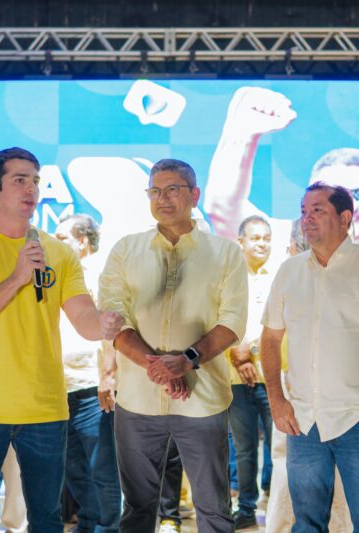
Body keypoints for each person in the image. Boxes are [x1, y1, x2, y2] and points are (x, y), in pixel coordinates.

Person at [0, 146, 122, 530]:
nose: (31, 189)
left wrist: (103, 324)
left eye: (35, 180)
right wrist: (17, 279)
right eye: (19, 180)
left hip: (44, 408)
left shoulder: (59, 253)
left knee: (48, 519)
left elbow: (83, 318)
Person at [99, 158, 249, 532]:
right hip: (138, 400)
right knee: (137, 509)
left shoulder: (225, 253)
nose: (162, 199)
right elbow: (113, 317)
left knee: (213, 508)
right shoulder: (126, 249)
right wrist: (159, 366)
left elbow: (232, 321)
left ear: (194, 195)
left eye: (172, 190)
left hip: (202, 400)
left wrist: (187, 360)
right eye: (155, 191)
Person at [260, 182, 359, 532]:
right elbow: (270, 339)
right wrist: (276, 400)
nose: (307, 218)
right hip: (303, 419)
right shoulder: (289, 271)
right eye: (304, 211)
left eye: (318, 210)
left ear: (345, 217)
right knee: (306, 524)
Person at [203, 87, 359, 282]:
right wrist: (243, 133)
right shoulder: (279, 245)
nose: (348, 207)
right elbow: (223, 205)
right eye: (332, 198)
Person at [264, 219, 352, 533]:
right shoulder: (291, 273)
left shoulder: (297, 274)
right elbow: (271, 337)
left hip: (312, 384)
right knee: (315, 470)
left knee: (290, 467)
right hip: (304, 384)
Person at [54, 213, 122, 533]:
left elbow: (112, 325)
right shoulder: (54, 275)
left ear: (82, 241)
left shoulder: (99, 274)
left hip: (93, 389)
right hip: (59, 388)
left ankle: (108, 527)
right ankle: (89, 522)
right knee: (74, 468)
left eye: (62, 238)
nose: (55, 244)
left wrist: (108, 375)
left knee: (102, 468)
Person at [227, 215, 275, 531]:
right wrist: (237, 354)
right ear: (240, 241)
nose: (262, 244)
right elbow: (218, 320)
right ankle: (246, 509)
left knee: (278, 447)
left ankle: (281, 507)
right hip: (235, 378)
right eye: (255, 238)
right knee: (244, 449)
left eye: (266, 238)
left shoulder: (280, 276)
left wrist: (251, 350)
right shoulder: (227, 277)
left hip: (273, 378)